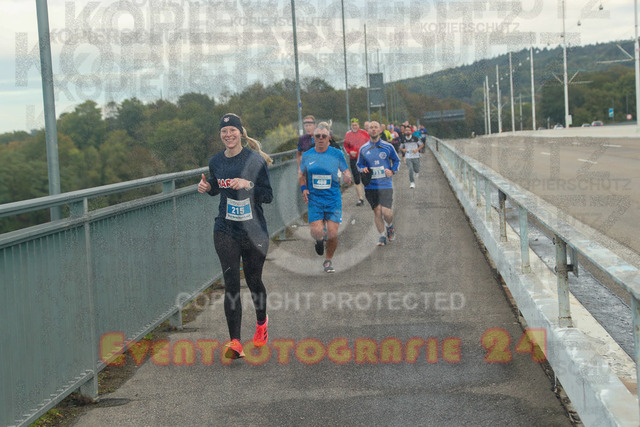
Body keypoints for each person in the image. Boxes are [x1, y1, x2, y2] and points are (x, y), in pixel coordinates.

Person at [197, 113, 273, 360]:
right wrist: (208, 187)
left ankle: (261, 322)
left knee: (253, 280)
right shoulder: (215, 161)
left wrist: (248, 185)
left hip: (254, 230)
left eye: (232, 130)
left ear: (241, 132)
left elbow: (267, 195)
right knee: (231, 283)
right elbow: (217, 185)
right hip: (226, 227)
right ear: (220, 135)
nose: (228, 135)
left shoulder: (255, 159)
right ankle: (236, 342)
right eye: (224, 131)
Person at [299, 121, 352, 273]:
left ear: (329, 137)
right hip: (315, 199)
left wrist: (347, 176)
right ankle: (319, 240)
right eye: (318, 136)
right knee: (316, 232)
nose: (321, 138)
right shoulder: (307, 155)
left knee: (333, 233)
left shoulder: (337, 153)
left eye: (324, 136)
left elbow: (345, 170)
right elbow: (301, 175)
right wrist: (304, 188)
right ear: (313, 138)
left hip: (333, 199)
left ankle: (328, 261)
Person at [356, 121, 400, 246]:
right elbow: (359, 164)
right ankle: (381, 236)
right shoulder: (364, 149)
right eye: (371, 128)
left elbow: (396, 161)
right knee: (377, 212)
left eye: (376, 127)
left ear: (380, 130)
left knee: (386, 212)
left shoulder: (388, 147)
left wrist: (392, 171)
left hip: (385, 184)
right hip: (371, 186)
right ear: (368, 130)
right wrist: (363, 169)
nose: (374, 129)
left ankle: (389, 226)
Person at [343, 118, 369, 207]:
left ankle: (370, 195)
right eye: (353, 125)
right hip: (353, 159)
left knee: (366, 178)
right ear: (351, 126)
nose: (354, 126)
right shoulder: (348, 134)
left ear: (358, 125)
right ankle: (360, 198)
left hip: (364, 159)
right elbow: (345, 146)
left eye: (356, 125)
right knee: (357, 179)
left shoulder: (364, 133)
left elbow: (370, 144)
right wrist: (350, 152)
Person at [399, 124, 424, 189]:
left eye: (409, 130)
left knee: (416, 169)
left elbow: (422, 145)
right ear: (404, 132)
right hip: (408, 156)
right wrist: (403, 150)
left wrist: (417, 150)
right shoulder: (403, 139)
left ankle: (416, 172)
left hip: (416, 156)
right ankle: (412, 182)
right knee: (410, 169)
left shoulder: (415, 138)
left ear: (411, 131)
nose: (408, 131)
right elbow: (400, 147)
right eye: (406, 130)